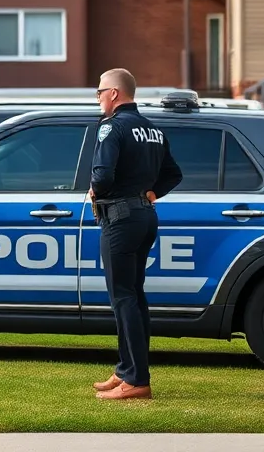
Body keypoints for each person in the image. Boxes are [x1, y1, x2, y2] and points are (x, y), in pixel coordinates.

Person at [88, 68, 183, 401]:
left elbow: (102, 175)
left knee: (123, 297)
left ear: (114, 93)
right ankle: (127, 369)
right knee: (134, 295)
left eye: (99, 92)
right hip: (144, 216)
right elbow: (173, 174)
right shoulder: (152, 129)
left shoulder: (112, 127)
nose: (98, 98)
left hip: (120, 218)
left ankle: (137, 380)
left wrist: (96, 190)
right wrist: (152, 193)